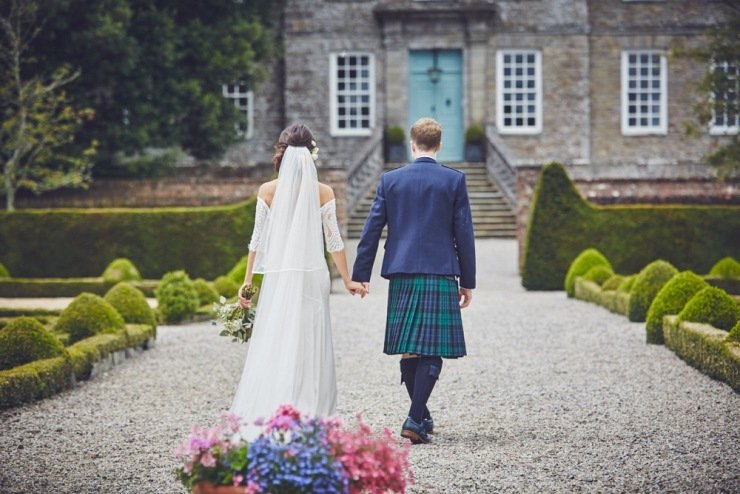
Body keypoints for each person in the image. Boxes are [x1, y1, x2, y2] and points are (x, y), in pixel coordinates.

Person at [230, 123, 366, 437]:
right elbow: (334, 242)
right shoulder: (324, 192)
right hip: (311, 276)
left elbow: (256, 242)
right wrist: (347, 279)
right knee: (311, 341)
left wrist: (248, 283)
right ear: (311, 154)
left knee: (277, 339)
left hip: (279, 276)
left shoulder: (267, 190)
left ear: (282, 153)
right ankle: (312, 413)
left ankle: (274, 411)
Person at [352, 117, 476, 444]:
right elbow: (465, 234)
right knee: (431, 345)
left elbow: (370, 231)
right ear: (439, 145)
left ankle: (419, 414)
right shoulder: (454, 180)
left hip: (403, 271)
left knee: (410, 348)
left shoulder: (391, 180)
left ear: (412, 144)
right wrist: (468, 280)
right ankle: (415, 417)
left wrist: (360, 275)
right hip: (439, 271)